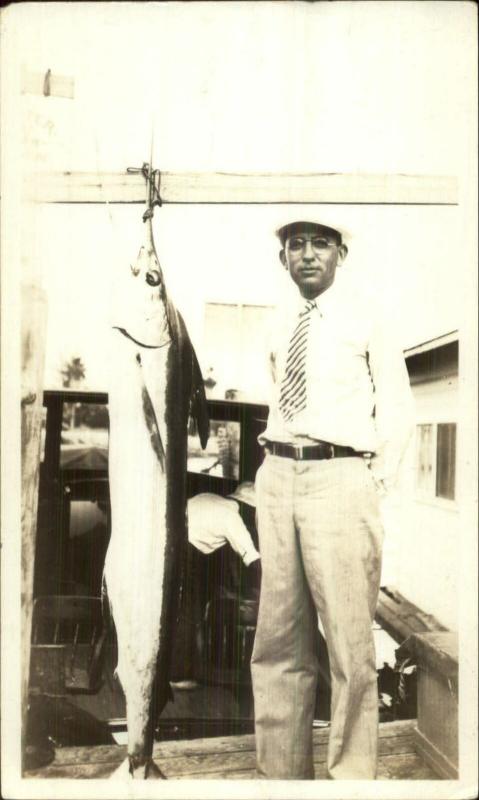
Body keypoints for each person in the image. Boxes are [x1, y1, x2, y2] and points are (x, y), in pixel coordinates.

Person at [250, 219, 414, 780]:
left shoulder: (367, 318)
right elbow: (279, 394)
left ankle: (350, 782)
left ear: (341, 252)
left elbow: (397, 414)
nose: (308, 254)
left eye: (320, 243)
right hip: (278, 476)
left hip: (340, 479)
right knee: (277, 642)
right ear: (283, 259)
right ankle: (281, 779)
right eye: (296, 245)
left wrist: (368, 486)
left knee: (348, 647)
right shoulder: (278, 324)